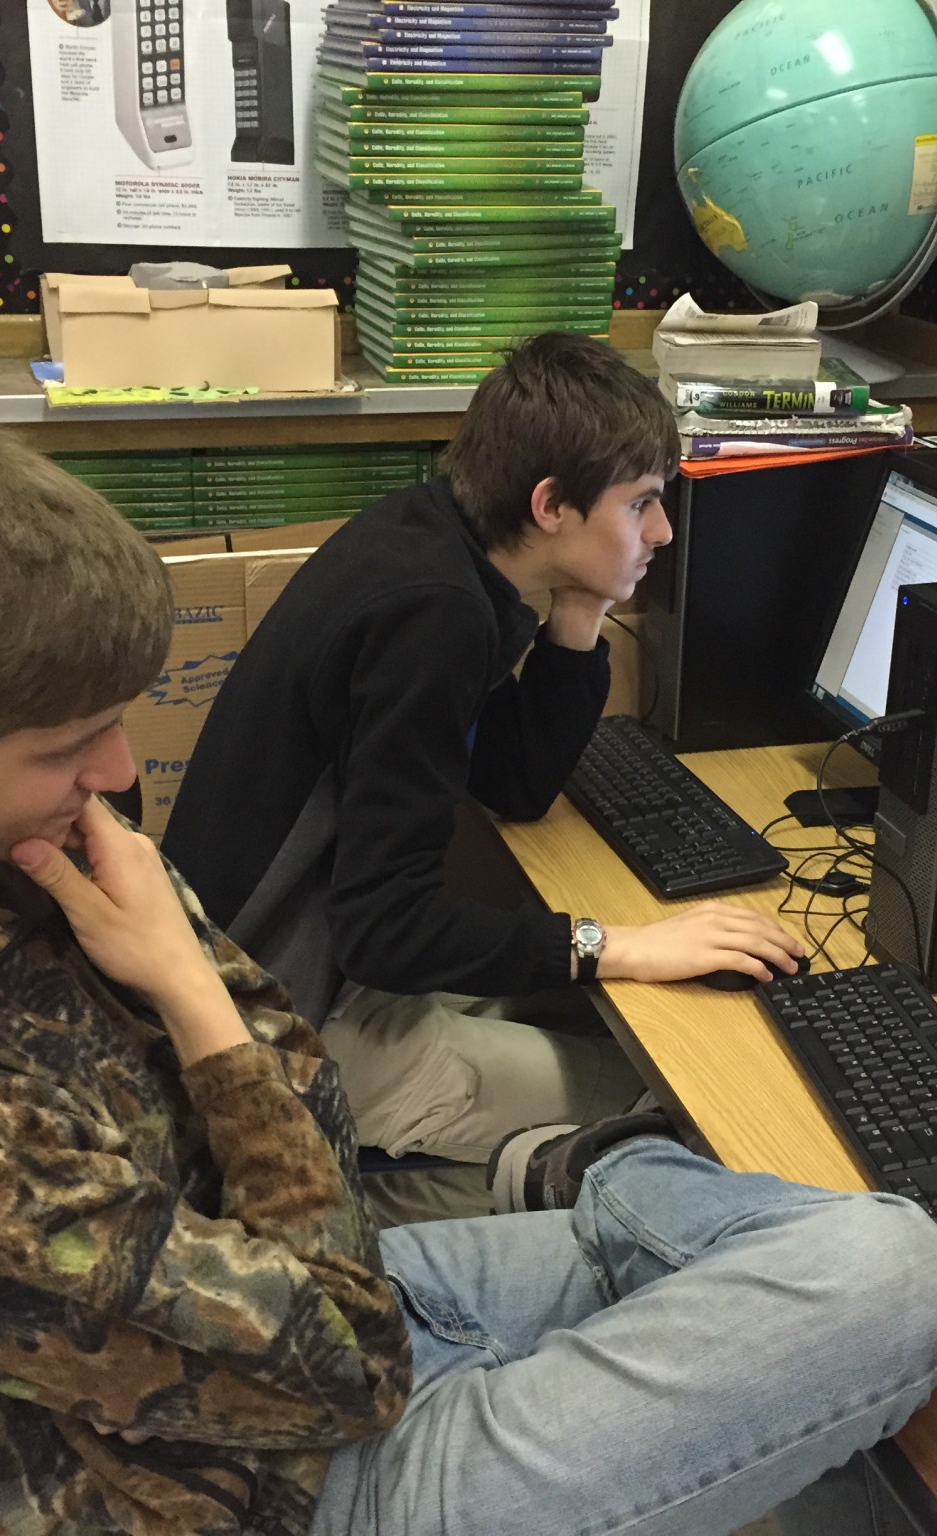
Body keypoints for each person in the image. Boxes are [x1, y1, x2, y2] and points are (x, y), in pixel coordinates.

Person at [0, 409, 937, 1536]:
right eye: (64, 747)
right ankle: (602, 1183)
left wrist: (199, 992)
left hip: (307, 1298)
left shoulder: (4, 849)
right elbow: (346, 1366)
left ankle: (594, 1181)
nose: (115, 773)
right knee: (896, 1285)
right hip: (272, 1480)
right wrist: (192, 996)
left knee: (828, 1262)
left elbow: (304, 1090)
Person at [160, 332, 806, 1173]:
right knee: (680, 1097)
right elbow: (386, 932)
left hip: (315, 969)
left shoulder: (438, 543)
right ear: (550, 505)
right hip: (281, 1027)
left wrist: (580, 609)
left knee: (620, 1009)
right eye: (640, 503)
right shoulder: (432, 616)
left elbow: (513, 782)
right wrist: (618, 945)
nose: (664, 529)